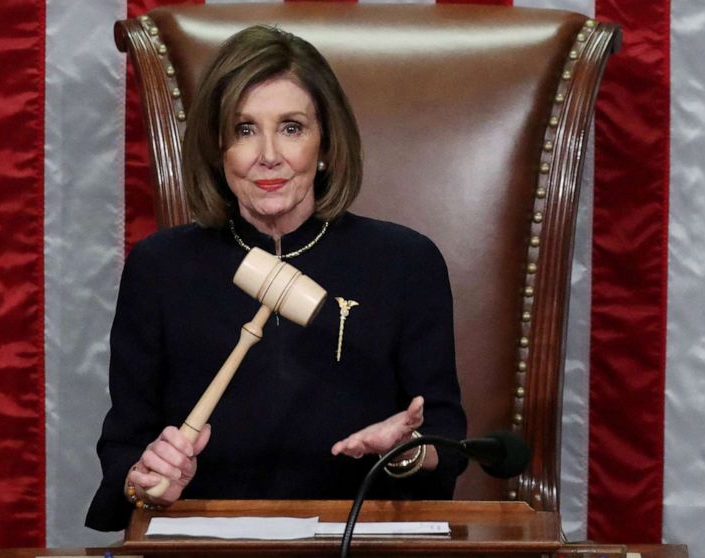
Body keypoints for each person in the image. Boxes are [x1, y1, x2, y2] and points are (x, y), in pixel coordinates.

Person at [85, 24, 467, 532]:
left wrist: (404, 453)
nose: (268, 154)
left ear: (325, 143)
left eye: (291, 127)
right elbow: (124, 449)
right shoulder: (160, 268)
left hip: (357, 540)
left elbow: (445, 437)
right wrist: (145, 480)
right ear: (218, 150)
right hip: (205, 541)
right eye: (244, 129)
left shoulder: (406, 262)